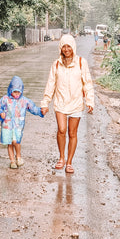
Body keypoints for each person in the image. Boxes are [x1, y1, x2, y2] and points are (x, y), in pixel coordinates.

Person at [41, 34, 94, 174]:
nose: (66, 49)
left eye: (69, 46)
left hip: (76, 103)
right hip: (60, 102)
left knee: (72, 133)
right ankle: (61, 158)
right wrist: (45, 102)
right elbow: (50, 84)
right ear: (60, 48)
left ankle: (69, 162)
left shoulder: (81, 63)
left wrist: (90, 100)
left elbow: (87, 83)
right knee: (62, 130)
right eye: (63, 46)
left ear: (73, 47)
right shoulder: (56, 64)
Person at [0, 75, 44, 169]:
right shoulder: (5, 99)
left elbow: (33, 108)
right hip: (7, 125)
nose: (17, 94)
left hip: (18, 126)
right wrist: (1, 112)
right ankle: (12, 161)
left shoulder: (24, 101)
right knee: (9, 143)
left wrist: (40, 111)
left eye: (18, 91)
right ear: (10, 90)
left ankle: (18, 156)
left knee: (16, 141)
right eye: (14, 91)